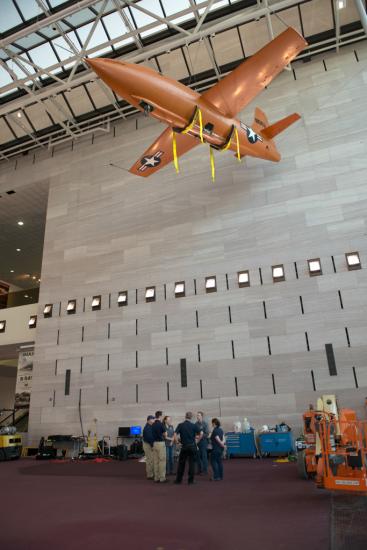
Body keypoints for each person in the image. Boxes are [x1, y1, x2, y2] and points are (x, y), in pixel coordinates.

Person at [174, 412, 202, 485]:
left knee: (181, 464)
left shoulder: (181, 425)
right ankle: (190, 481)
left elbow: (175, 434)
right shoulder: (194, 425)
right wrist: (197, 441)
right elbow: (201, 434)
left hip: (184, 446)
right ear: (191, 417)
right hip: (192, 446)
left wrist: (177, 442)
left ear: (185, 416)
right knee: (192, 464)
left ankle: (178, 480)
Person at [152, 410, 168, 483]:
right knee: (162, 461)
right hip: (161, 444)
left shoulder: (152, 424)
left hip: (154, 443)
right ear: (160, 416)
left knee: (156, 461)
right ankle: (162, 478)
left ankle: (156, 477)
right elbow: (165, 435)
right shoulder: (161, 424)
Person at [142, 415, 155, 480]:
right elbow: (149, 438)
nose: (154, 420)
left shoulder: (150, 426)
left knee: (151, 460)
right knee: (150, 460)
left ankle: (151, 473)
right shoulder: (147, 427)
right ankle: (150, 475)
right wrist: (152, 446)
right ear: (149, 420)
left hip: (149, 444)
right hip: (148, 445)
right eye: (153, 419)